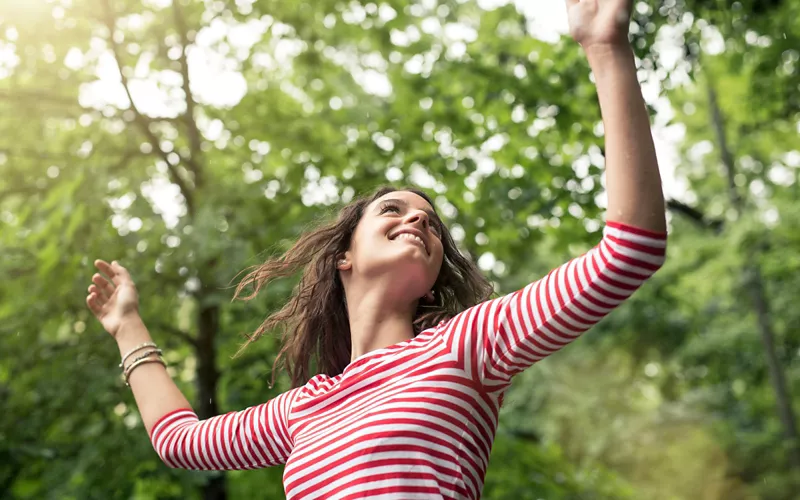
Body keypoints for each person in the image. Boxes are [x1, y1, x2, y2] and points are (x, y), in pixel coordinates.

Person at [85, 1, 668, 498]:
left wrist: (605, 49)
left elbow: (629, 252)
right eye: (394, 209)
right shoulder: (302, 409)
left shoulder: (466, 345)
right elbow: (180, 441)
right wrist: (127, 324)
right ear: (344, 256)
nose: (419, 219)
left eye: (432, 223)